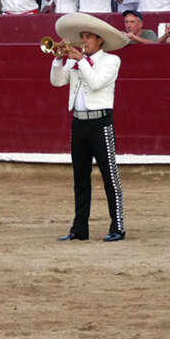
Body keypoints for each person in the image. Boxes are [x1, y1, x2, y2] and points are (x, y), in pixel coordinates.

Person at [49, 12, 128, 242]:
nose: (83, 40)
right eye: (82, 36)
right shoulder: (75, 60)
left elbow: (95, 83)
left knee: (110, 177)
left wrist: (80, 61)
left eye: (88, 37)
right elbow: (57, 81)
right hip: (79, 123)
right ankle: (79, 229)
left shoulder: (112, 60)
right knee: (80, 179)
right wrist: (57, 59)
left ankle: (118, 227)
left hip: (101, 122)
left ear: (99, 39)